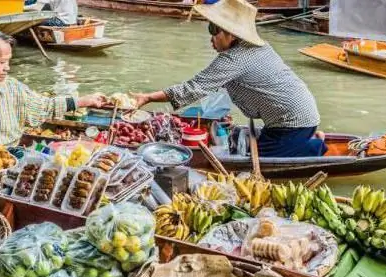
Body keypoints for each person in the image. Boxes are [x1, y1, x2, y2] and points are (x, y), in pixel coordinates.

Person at [131, 0, 326, 158]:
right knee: (243, 146)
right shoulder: (259, 47)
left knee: (252, 158)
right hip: (299, 113)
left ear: (231, 34)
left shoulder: (234, 59)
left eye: (214, 31)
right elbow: (214, 85)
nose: (211, 38)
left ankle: (314, 146)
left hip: (291, 123)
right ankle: (305, 139)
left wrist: (148, 97)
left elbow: (192, 89)